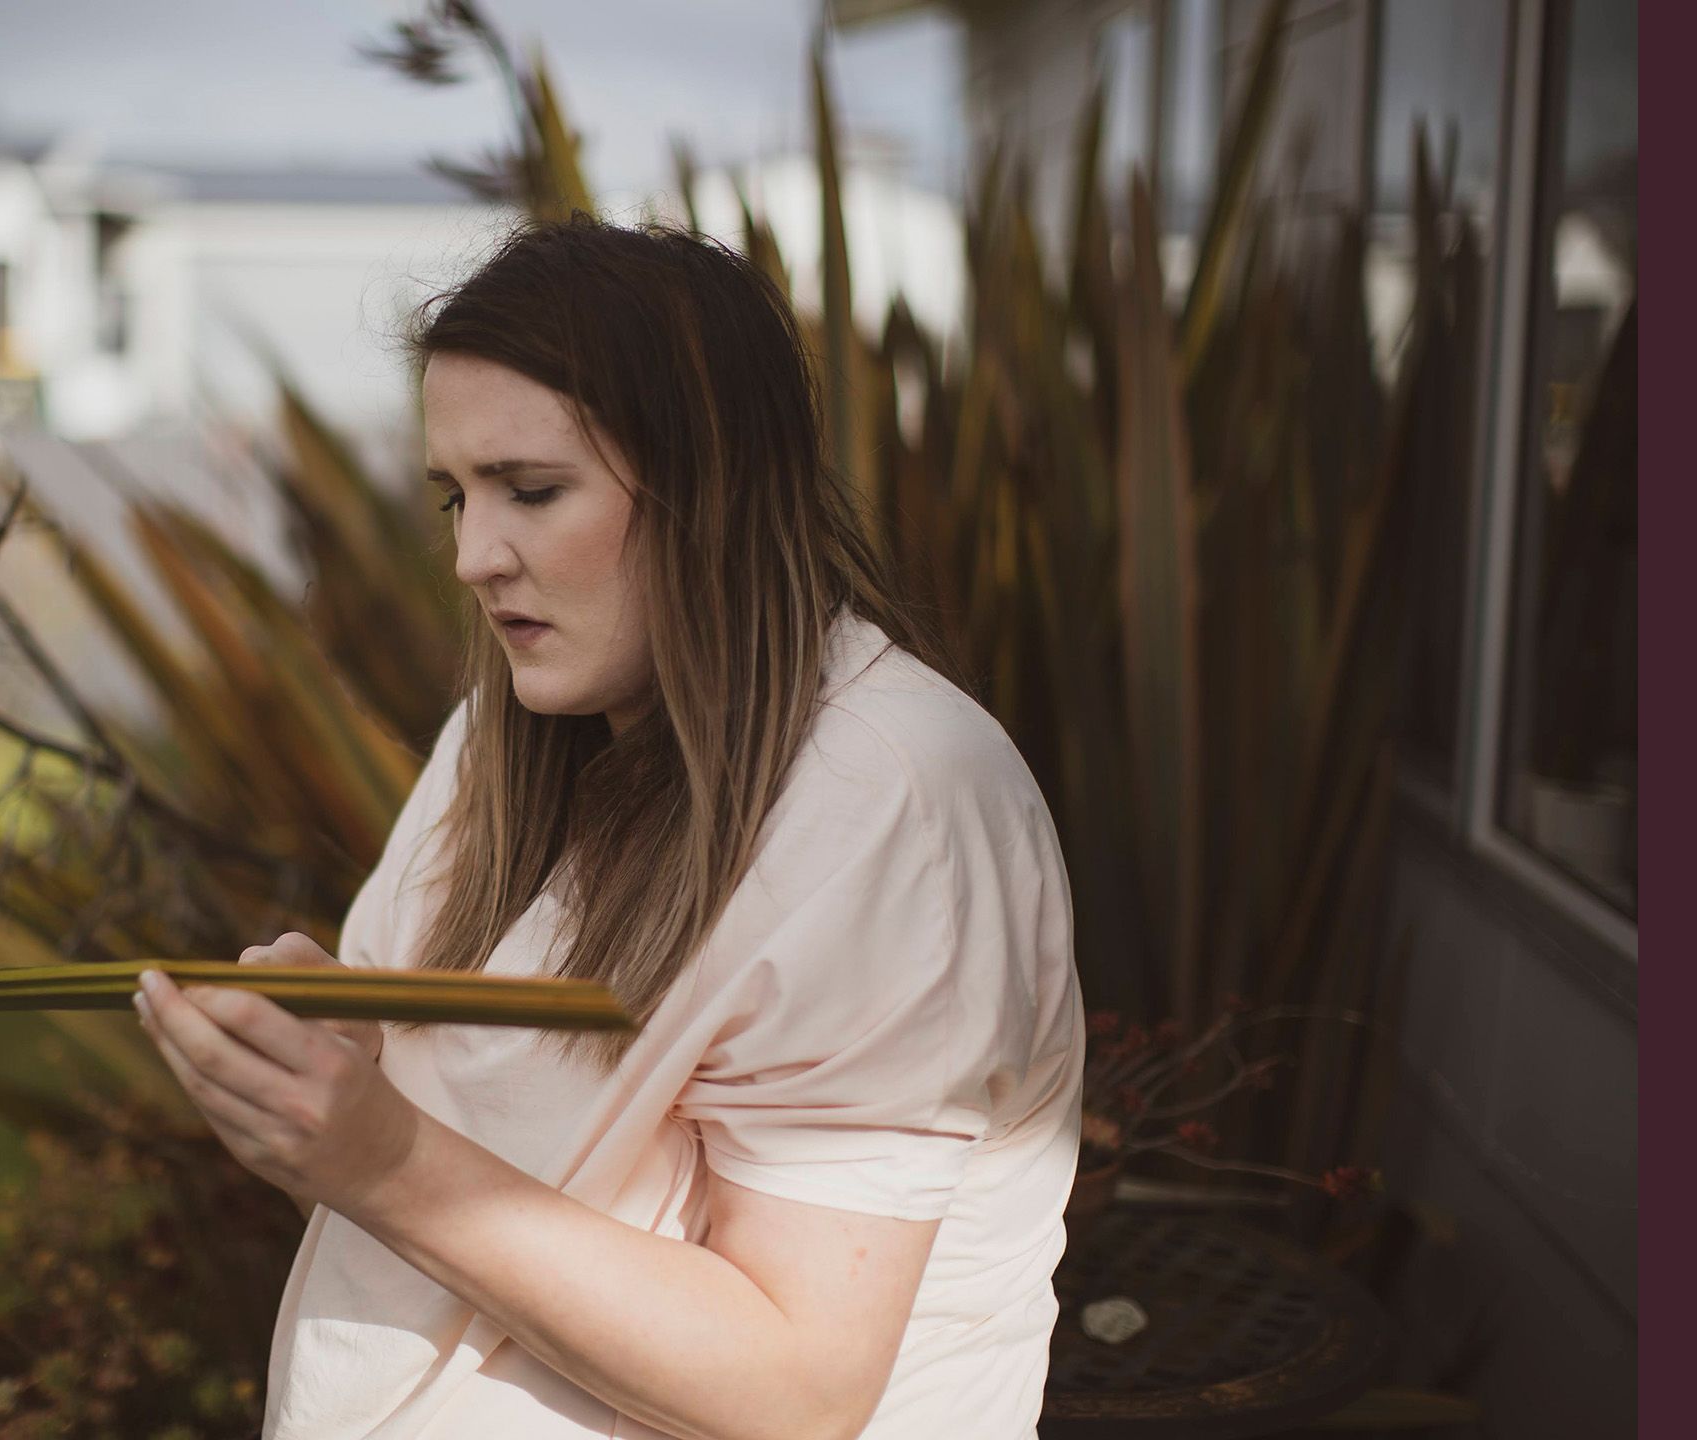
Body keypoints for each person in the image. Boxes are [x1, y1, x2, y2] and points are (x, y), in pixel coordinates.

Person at [132, 216, 1085, 1440]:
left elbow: (798, 1384)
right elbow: (482, 1128)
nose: (475, 557)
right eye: (454, 499)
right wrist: (343, 1057)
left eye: (531, 491)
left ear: (711, 488)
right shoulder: (508, 737)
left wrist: (380, 1160)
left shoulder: (891, 799)